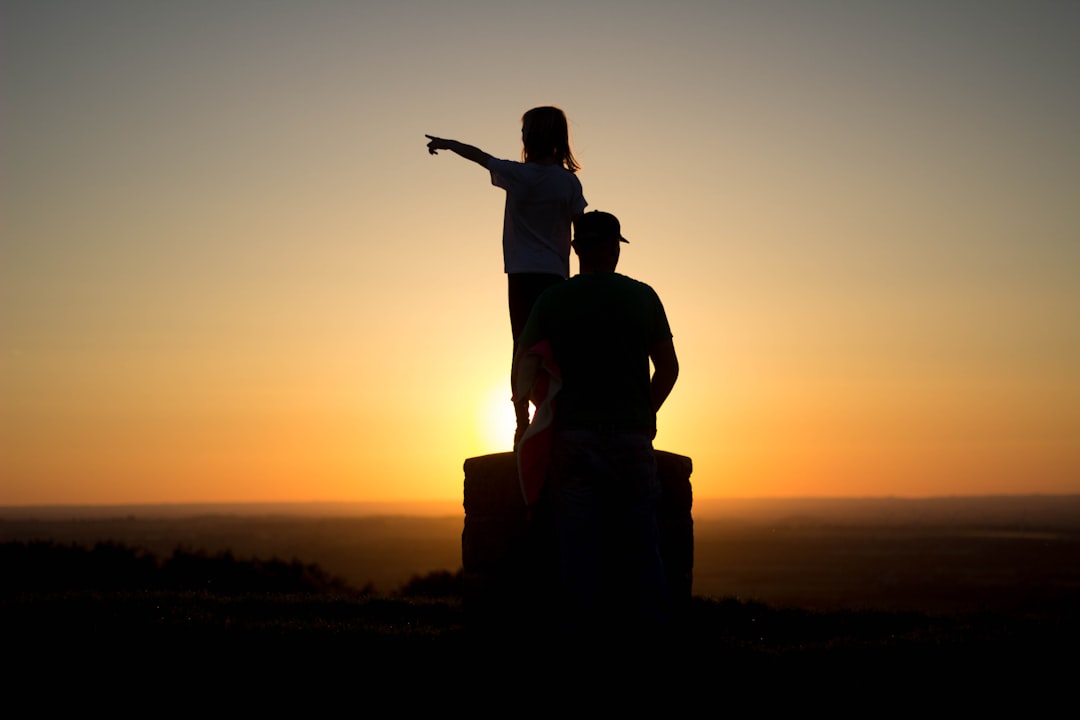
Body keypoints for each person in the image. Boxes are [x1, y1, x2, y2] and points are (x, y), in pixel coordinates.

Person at [512, 210, 679, 637]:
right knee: (642, 546)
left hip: (572, 439)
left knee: (577, 550)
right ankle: (651, 640)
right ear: (613, 249)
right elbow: (668, 368)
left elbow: (524, 369)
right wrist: (647, 413)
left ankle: (579, 644)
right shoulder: (643, 296)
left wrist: (535, 414)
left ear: (576, 250)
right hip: (631, 439)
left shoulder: (552, 300)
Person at [426, 107, 587, 442]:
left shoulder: (519, 175)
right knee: (559, 348)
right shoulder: (569, 182)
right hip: (556, 278)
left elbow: (480, 157)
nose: (523, 137)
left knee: (523, 347)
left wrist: (447, 143)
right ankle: (558, 415)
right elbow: (581, 234)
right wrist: (583, 283)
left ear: (537, 136)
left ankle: (522, 423)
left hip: (523, 277)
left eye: (526, 130)